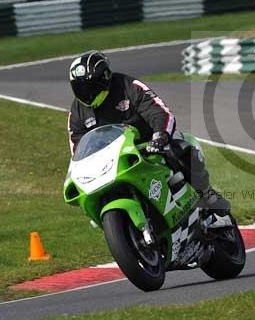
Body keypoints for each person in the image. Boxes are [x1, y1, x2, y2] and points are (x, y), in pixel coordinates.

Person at [67, 50, 229, 214]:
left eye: (90, 87)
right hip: (114, 162)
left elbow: (159, 111)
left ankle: (207, 193)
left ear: (104, 79)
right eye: (79, 88)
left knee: (183, 149)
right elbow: (78, 148)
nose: (85, 94)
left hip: (149, 146)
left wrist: (160, 135)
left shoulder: (127, 86)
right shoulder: (77, 112)